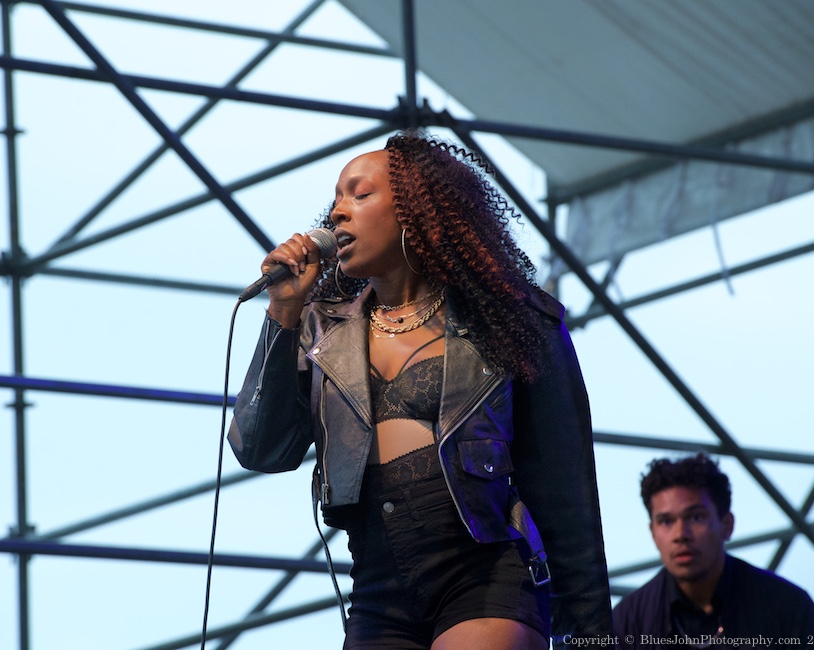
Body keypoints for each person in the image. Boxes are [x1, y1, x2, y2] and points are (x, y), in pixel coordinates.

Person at [227, 130, 613, 649]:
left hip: (485, 570)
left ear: (415, 210)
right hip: (376, 585)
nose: (338, 212)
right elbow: (260, 448)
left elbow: (565, 488)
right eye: (337, 198)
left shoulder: (511, 321)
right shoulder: (320, 333)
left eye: (360, 195)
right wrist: (282, 314)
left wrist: (591, 633)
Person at [613, 452, 814, 649]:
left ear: (726, 525)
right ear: (653, 533)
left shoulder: (787, 606)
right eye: (666, 521)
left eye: (695, 517)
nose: (681, 534)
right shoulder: (628, 621)